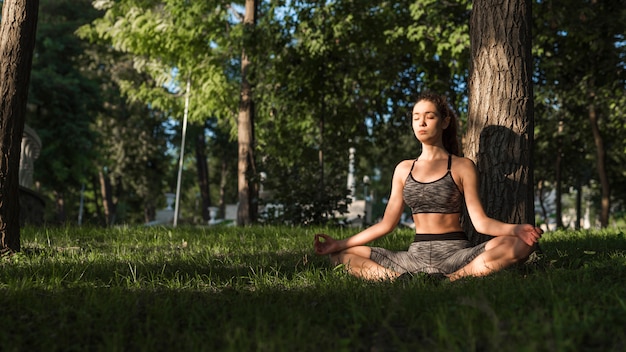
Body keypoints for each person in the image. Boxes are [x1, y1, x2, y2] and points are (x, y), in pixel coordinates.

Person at [313, 92, 543, 282]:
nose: (421, 123)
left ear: (444, 121)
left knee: (521, 245)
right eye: (416, 117)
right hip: (414, 257)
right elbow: (386, 224)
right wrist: (339, 243)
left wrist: (516, 230)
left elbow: (480, 222)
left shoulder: (462, 166)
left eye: (429, 116)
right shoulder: (404, 169)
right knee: (340, 256)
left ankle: (452, 280)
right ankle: (397, 279)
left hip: (456, 254)